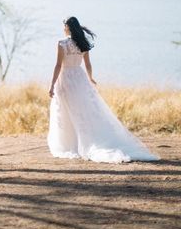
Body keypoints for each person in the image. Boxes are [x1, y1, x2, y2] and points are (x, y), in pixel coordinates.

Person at [47, 16, 158, 163]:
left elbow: (58, 66)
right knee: (83, 111)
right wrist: (90, 78)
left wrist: (52, 84)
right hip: (80, 78)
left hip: (66, 79)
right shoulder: (83, 43)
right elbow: (88, 65)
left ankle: (71, 145)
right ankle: (81, 142)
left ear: (68, 27)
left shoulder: (62, 43)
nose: (63, 28)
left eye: (64, 26)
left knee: (66, 111)